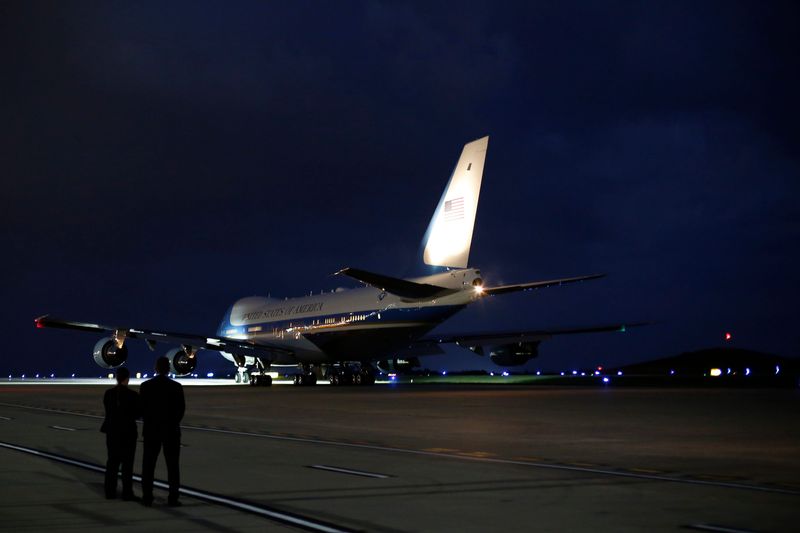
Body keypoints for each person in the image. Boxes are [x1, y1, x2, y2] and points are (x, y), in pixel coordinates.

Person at [139, 356, 185, 507]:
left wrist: (149, 421)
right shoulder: (176, 387)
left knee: (148, 466)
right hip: (171, 430)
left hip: (152, 430)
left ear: (156, 369)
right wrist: (172, 422)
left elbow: (142, 409)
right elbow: (181, 410)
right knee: (172, 466)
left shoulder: (145, 386)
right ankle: (173, 497)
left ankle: (147, 497)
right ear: (169, 369)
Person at [102, 366, 141, 501]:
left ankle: (110, 492)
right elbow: (138, 414)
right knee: (127, 465)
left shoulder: (108, 394)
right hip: (128, 432)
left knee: (112, 463)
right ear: (127, 379)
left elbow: (108, 411)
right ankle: (127, 493)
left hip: (112, 432)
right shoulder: (133, 395)